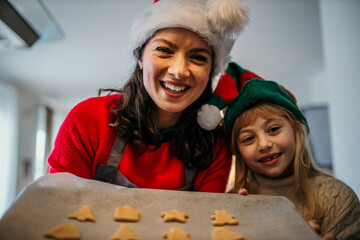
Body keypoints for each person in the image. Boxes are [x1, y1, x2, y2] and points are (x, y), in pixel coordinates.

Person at [47, 0, 252, 192]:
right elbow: (61, 208)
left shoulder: (214, 147)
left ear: (210, 72)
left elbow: (204, 224)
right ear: (140, 56)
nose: (179, 71)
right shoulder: (88, 119)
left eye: (198, 57)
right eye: (164, 50)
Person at [207, 72, 360, 239]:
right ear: (237, 150)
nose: (264, 144)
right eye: (249, 138)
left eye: (273, 129)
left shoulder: (337, 199)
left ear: (295, 130)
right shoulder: (233, 204)